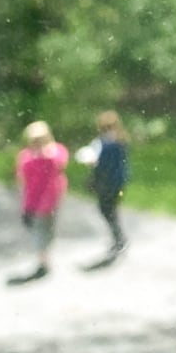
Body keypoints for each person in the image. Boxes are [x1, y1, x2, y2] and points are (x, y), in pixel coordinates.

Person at [10, 121, 68, 284]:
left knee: (48, 228)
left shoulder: (54, 153)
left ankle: (45, 256)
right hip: (37, 200)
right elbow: (23, 179)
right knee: (41, 229)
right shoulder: (27, 157)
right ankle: (44, 259)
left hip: (52, 198)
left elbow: (61, 162)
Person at [78, 110, 130, 266]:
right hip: (119, 182)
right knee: (112, 209)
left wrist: (92, 168)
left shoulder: (104, 143)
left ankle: (119, 238)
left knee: (106, 209)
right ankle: (118, 238)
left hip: (106, 182)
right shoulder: (121, 140)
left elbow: (100, 163)